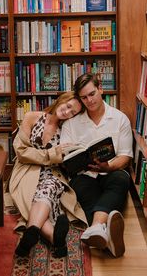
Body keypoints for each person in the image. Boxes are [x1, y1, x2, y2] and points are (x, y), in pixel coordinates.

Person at [60, 73, 133, 258]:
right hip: (84, 176)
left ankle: (95, 228)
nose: (89, 100)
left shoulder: (119, 118)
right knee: (82, 187)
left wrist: (108, 167)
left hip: (111, 172)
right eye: (84, 97)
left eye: (92, 94)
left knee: (122, 180)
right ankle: (104, 233)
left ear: (100, 89)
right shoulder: (71, 123)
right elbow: (65, 157)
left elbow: (125, 156)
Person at [9, 92, 87, 258]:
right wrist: (52, 154)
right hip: (26, 170)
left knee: (48, 189)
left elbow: (64, 162)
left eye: (72, 113)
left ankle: (29, 237)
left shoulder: (67, 129)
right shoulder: (31, 117)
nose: (67, 112)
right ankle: (56, 240)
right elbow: (21, 151)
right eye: (67, 106)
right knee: (32, 196)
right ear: (61, 100)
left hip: (54, 173)